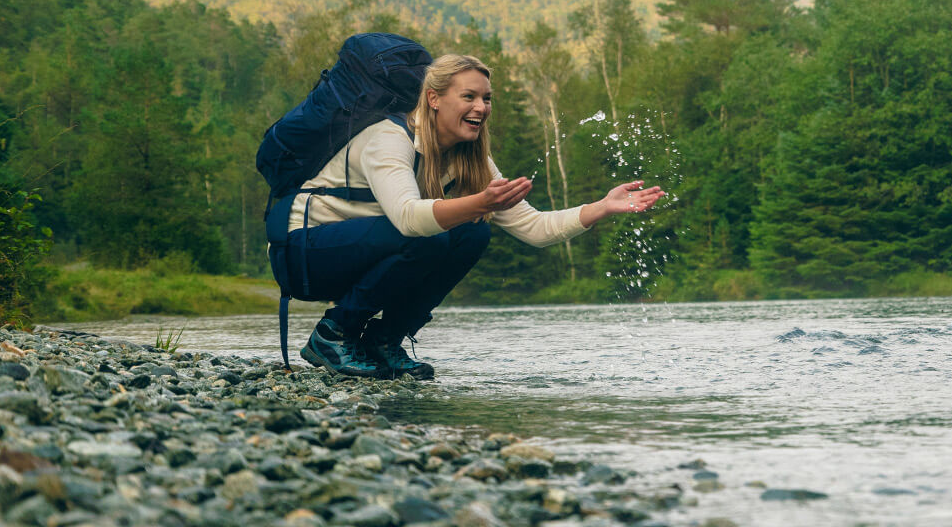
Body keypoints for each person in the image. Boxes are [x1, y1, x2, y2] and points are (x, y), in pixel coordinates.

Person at [278, 54, 665, 379]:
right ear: (433, 99)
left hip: (359, 252)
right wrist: (480, 203)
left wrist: (602, 206)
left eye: (487, 98)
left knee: (472, 234)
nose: (481, 107)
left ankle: (382, 341)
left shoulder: (469, 155)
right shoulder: (389, 139)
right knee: (435, 232)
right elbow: (409, 220)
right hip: (306, 254)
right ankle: (334, 334)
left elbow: (534, 228)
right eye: (469, 96)